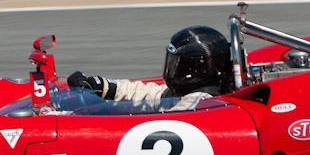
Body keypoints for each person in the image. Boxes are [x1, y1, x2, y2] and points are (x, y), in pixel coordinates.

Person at [68, 26, 231, 111]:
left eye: (179, 65)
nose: (172, 70)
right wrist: (101, 86)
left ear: (197, 68)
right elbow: (152, 95)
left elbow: (154, 122)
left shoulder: (198, 104)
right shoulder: (188, 94)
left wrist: (99, 111)